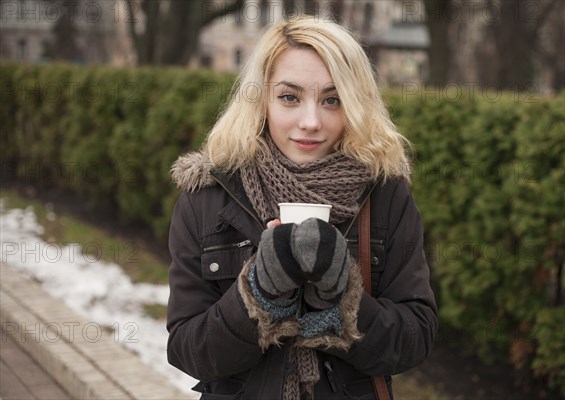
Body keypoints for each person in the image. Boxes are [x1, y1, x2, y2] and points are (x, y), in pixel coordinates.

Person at [167, 16, 437, 400]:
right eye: (289, 97)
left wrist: (342, 298)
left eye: (332, 100)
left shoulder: (385, 194)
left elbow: (415, 338)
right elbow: (188, 351)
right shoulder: (208, 197)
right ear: (261, 99)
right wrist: (259, 291)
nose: (310, 122)